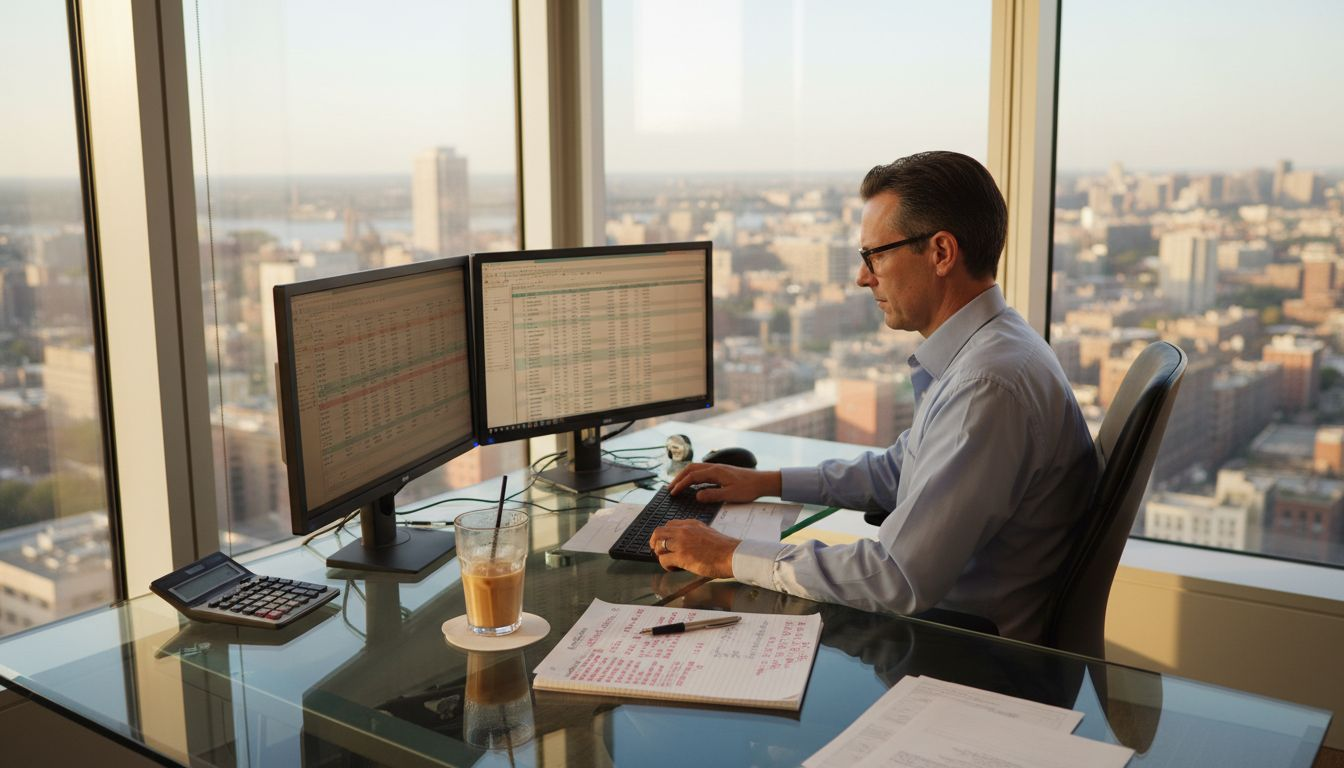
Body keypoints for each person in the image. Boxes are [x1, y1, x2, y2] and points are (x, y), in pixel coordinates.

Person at [651, 150, 1098, 644]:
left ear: (941, 253)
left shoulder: (987, 387)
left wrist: (727, 555)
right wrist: (766, 481)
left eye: (875, 255)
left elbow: (895, 577)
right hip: (944, 626)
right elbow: (899, 470)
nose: (864, 277)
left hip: (963, 652)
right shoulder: (994, 347)